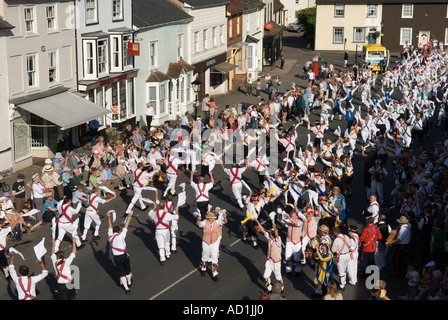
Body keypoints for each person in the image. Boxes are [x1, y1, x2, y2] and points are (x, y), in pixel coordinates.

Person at [107, 210, 133, 294]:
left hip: (116, 258)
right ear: (119, 231)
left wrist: (109, 217)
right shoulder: (121, 236)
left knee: (121, 274)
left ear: (113, 232)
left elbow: (110, 227)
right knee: (127, 271)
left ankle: (126, 288)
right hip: (124, 256)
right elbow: (126, 226)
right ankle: (129, 282)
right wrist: (129, 216)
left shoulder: (110, 237)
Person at [197, 210, 227, 280]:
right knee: (204, 256)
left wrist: (225, 217)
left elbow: (225, 222)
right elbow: (198, 224)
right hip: (206, 242)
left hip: (214, 243)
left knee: (215, 258)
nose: (211, 219)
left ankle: (215, 274)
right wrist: (198, 220)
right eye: (210, 218)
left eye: (212, 218)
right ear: (208, 218)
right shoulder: (204, 222)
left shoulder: (217, 222)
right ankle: (203, 269)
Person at [256, 219, 283, 292]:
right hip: (269, 260)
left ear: (273, 234)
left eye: (270, 233)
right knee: (266, 276)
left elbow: (277, 235)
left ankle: (281, 287)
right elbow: (263, 230)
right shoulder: (269, 239)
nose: (269, 234)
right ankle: (269, 288)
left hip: (276, 262)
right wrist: (257, 221)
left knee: (278, 277)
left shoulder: (278, 241)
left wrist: (275, 228)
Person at [148, 201, 178, 265]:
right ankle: (168, 254)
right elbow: (176, 217)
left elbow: (149, 213)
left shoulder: (155, 213)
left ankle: (162, 259)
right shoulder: (167, 214)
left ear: (159, 207)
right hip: (166, 230)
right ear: (164, 207)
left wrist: (153, 208)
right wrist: (176, 211)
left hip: (158, 231)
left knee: (160, 245)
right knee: (167, 242)